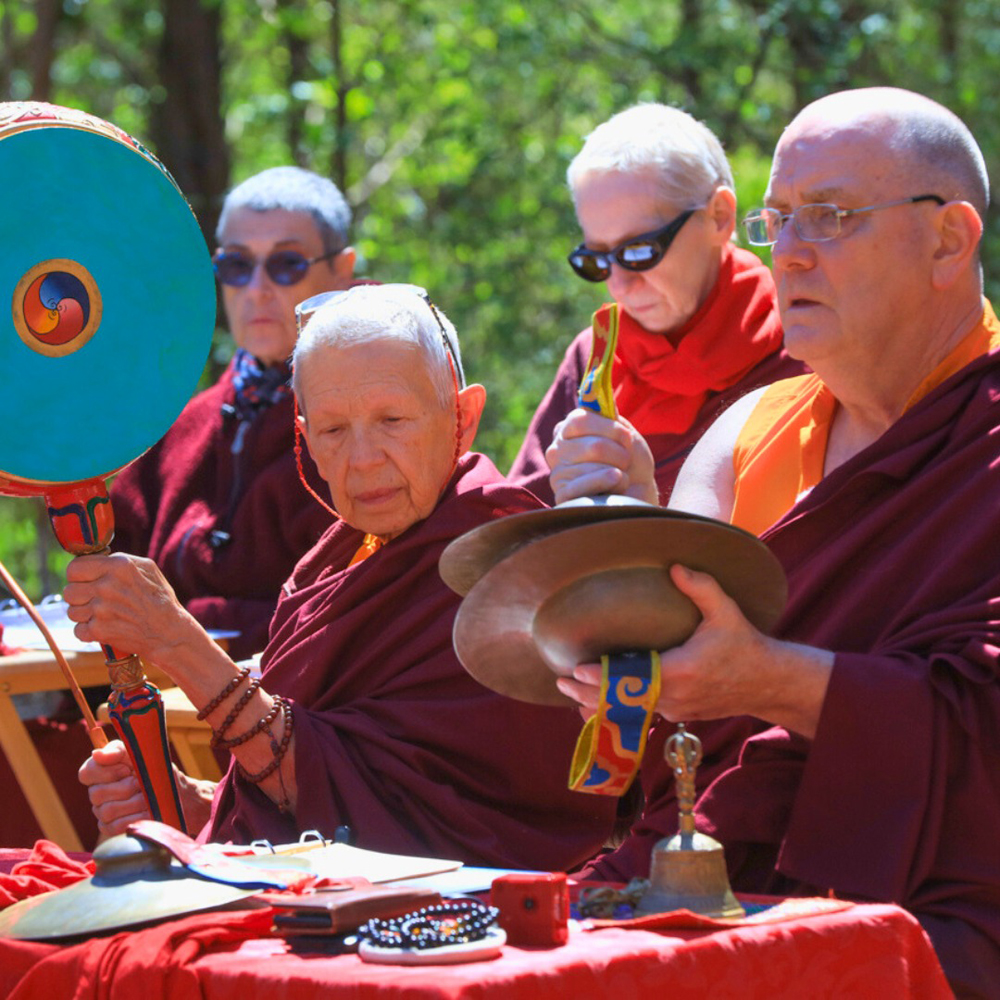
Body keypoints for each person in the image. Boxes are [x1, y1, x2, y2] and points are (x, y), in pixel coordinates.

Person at [547, 87, 1000, 996]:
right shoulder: (753, 428)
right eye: (778, 219)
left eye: (829, 218)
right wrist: (620, 570)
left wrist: (770, 679)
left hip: (940, 902)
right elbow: (681, 683)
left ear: (950, 239)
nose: (787, 252)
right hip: (718, 882)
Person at [66, 285, 615, 870]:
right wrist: (188, 804)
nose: (363, 459)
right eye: (332, 431)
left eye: (392, 420)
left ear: (463, 417)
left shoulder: (504, 564)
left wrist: (177, 643)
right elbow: (309, 795)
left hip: (464, 916)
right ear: (306, 443)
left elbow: (390, 820)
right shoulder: (331, 563)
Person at [110, 165, 358, 661]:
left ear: (342, 269)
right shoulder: (186, 424)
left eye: (286, 264)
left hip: (308, 705)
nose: (257, 289)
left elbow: (359, 608)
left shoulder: (379, 410)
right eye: (237, 266)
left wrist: (185, 623)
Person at [508, 102, 803, 505]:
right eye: (597, 260)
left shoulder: (803, 346)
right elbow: (519, 522)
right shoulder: (595, 359)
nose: (619, 285)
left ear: (719, 216)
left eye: (639, 251)